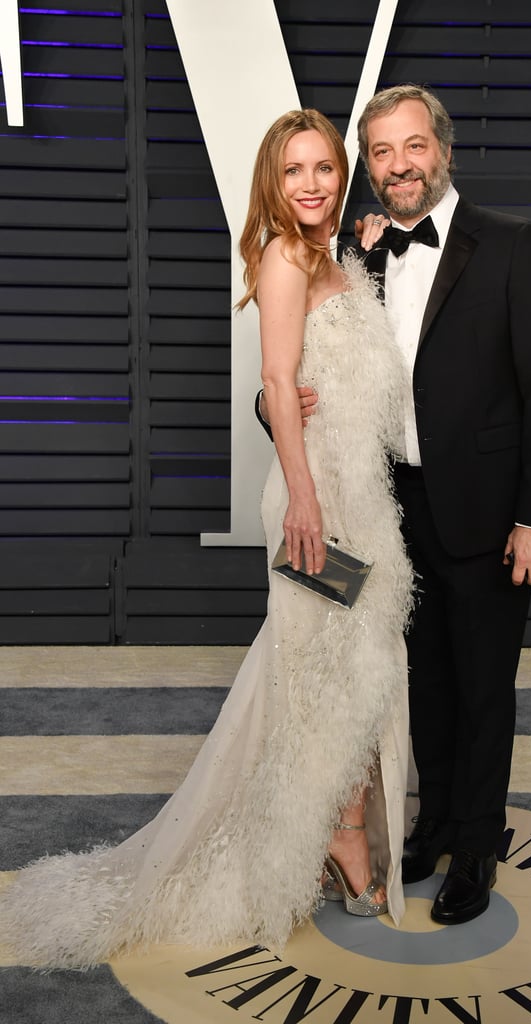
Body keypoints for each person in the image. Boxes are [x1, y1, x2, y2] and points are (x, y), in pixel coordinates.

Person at [0, 109, 413, 969]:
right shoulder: (281, 257)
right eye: (294, 169)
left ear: (342, 177)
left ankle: (336, 829)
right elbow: (273, 378)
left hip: (363, 501)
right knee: (319, 675)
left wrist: (368, 249)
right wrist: (302, 497)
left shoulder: (337, 259)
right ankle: (341, 839)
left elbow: (341, 378)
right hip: (315, 506)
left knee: (355, 671)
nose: (310, 183)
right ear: (272, 179)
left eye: (324, 168)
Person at [276, 85, 531, 926]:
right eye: (379, 152)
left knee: (484, 688)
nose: (397, 166)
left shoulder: (514, 246)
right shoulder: (355, 254)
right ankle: (435, 822)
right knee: (422, 684)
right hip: (389, 508)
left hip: (488, 513)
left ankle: (476, 844)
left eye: (412, 147)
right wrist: (277, 409)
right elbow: (308, 371)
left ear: (440, 149)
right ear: (365, 167)